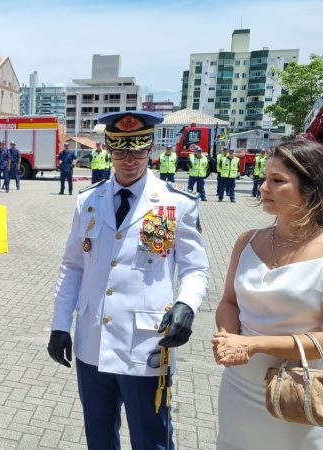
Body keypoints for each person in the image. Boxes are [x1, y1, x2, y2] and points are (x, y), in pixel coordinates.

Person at [47, 111, 209, 450]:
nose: (130, 160)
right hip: (92, 340)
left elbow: (196, 268)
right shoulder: (88, 201)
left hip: (146, 343)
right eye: (121, 151)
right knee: (99, 437)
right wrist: (61, 324)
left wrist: (187, 304)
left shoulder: (176, 203)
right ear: (108, 149)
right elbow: (73, 265)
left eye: (138, 151)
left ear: (150, 148)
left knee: (151, 439)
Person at [213, 140, 323, 449]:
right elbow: (229, 302)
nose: (263, 187)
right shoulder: (247, 241)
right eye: (264, 178)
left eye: (277, 180)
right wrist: (227, 337)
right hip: (239, 386)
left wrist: (254, 344)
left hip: (298, 394)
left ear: (310, 188)